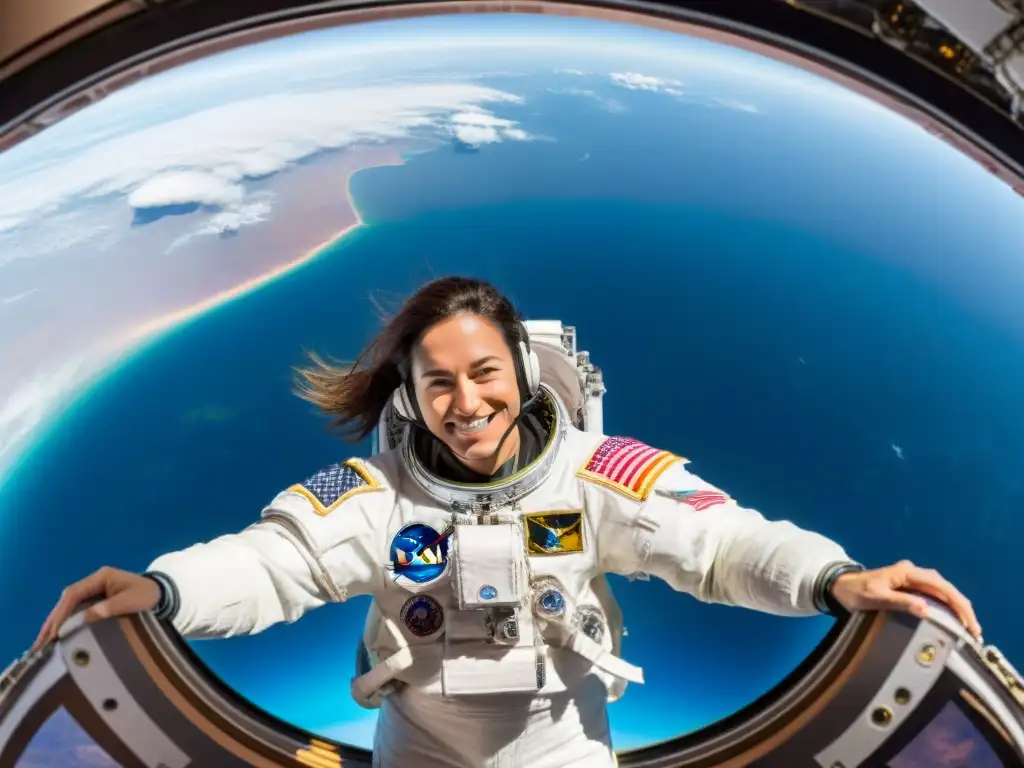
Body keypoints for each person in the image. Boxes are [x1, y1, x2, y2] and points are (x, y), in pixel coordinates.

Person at [34, 276, 980, 768]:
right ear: (409, 395)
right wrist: (163, 591)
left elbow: (723, 543)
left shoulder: (598, 473)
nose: (466, 401)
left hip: (564, 744)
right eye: (438, 382)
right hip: (421, 751)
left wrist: (834, 579)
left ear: (524, 373)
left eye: (484, 374)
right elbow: (270, 563)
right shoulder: (372, 494)